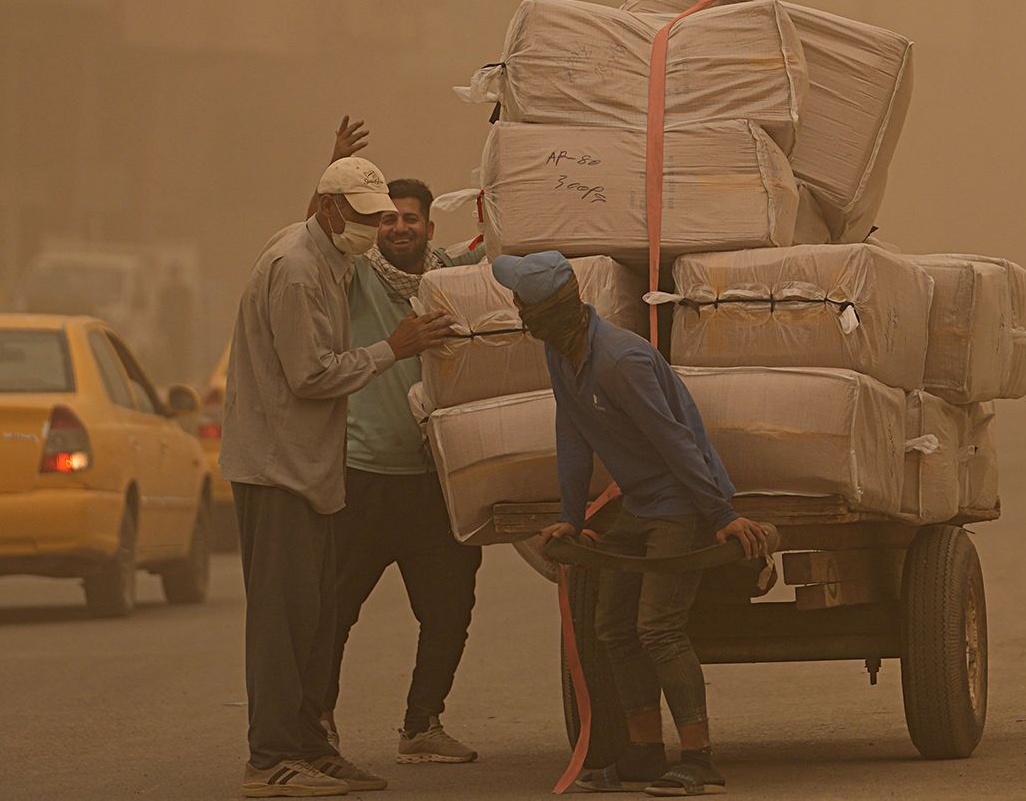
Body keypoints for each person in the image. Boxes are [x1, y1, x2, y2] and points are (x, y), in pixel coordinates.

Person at [495, 251, 779, 797]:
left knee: (658, 628)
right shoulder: (563, 354)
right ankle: (646, 752)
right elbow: (573, 438)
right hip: (641, 504)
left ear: (538, 315)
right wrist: (569, 519)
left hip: (680, 504)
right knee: (612, 628)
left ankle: (699, 759)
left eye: (520, 307)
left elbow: (677, 439)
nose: (517, 314)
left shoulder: (620, 361)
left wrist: (720, 514)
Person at [222, 154, 456, 799]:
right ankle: (270, 760)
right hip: (279, 469)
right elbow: (311, 374)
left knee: (313, 617)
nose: (376, 228)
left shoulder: (328, 255)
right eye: (364, 217)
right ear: (330, 211)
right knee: (281, 621)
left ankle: (308, 747)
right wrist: (394, 348)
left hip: (310, 469)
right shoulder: (298, 270)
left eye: (380, 216)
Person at [302, 118, 487, 765]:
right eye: (388, 220)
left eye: (411, 219)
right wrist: (332, 173)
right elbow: (315, 241)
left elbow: (508, 244)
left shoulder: (455, 276)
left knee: (450, 606)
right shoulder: (353, 278)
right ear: (372, 227)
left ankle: (422, 724)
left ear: (431, 228)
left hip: (434, 482)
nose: (399, 228)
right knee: (333, 609)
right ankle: (317, 723)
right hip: (364, 477)